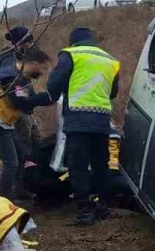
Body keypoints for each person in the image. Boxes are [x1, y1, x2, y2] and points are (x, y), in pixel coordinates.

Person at [47, 27, 121, 226]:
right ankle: (103, 207)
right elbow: (113, 92)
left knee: (77, 166)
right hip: (102, 119)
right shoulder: (111, 60)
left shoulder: (71, 54)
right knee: (101, 165)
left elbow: (54, 84)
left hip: (78, 119)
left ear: (73, 42)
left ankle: (84, 211)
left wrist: (53, 96)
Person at [0, 46, 54, 202]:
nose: (43, 73)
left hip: (6, 123)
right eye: (43, 69)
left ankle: (20, 190)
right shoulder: (10, 76)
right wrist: (46, 98)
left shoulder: (21, 77)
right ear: (34, 63)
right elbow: (20, 103)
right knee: (11, 162)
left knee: (22, 154)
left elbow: (28, 101)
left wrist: (43, 99)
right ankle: (4, 200)